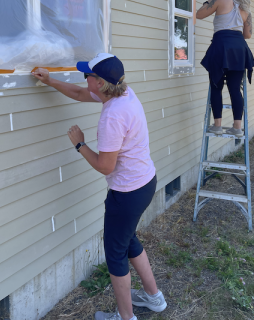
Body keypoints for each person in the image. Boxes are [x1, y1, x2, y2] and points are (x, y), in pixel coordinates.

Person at [32, 53, 167, 320]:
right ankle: (155, 299)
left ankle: (126, 317)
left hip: (126, 194)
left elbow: (106, 167)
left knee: (116, 255)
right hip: (144, 183)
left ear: (101, 83)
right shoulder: (123, 93)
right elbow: (80, 94)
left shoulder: (112, 117)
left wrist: (80, 145)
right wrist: (50, 81)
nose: (85, 80)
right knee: (127, 240)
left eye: (88, 76)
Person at [196, 0, 254, 137]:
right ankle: (237, 128)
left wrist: (207, 2)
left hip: (221, 46)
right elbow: (248, 35)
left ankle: (217, 125)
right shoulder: (246, 11)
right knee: (235, 89)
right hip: (239, 49)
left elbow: (199, 14)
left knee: (216, 85)